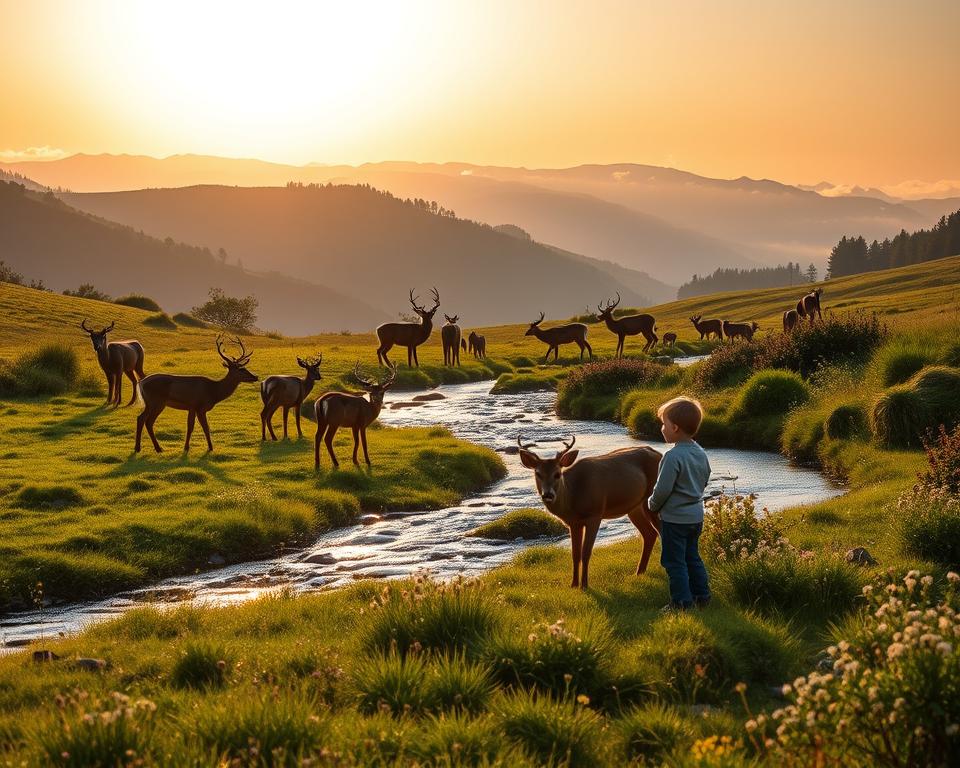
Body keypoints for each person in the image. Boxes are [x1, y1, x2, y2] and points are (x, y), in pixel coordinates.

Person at [647, 396, 712, 611]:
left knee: (674, 562)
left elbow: (662, 489)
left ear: (675, 428)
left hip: (674, 520)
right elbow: (705, 478)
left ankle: (681, 603)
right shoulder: (700, 452)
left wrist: (652, 505)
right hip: (696, 517)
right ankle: (702, 596)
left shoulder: (672, 457)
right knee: (692, 557)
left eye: (663, 424)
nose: (662, 428)